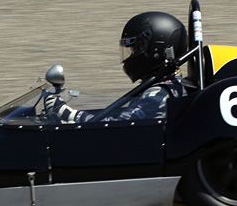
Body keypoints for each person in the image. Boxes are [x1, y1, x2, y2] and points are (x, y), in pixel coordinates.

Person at [44, 11, 189, 124]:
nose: (130, 56)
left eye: (135, 49)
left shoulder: (158, 95)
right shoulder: (164, 85)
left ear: (156, 51)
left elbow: (117, 126)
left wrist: (68, 113)